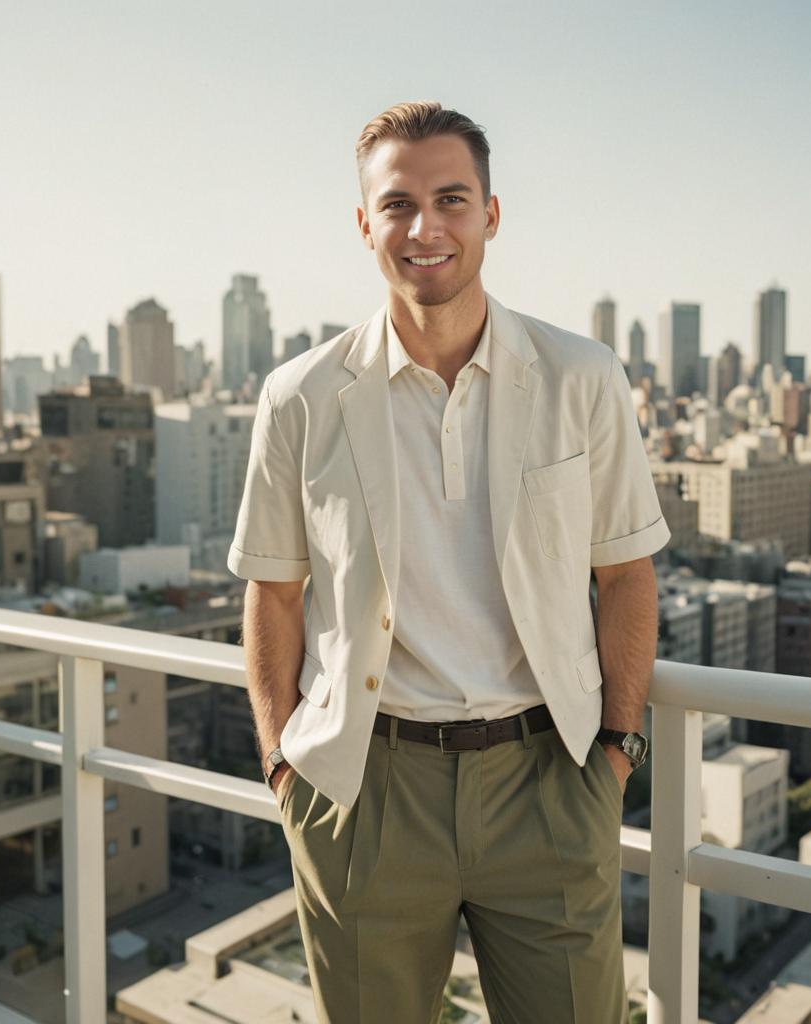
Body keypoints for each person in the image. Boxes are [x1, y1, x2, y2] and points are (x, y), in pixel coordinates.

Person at [228, 100, 670, 1024]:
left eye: (452, 199)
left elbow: (626, 577)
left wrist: (616, 756)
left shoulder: (580, 376)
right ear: (365, 226)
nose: (425, 227)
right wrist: (282, 768)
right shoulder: (301, 396)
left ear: (491, 215)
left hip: (548, 779)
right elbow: (273, 594)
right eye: (398, 204)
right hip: (364, 791)